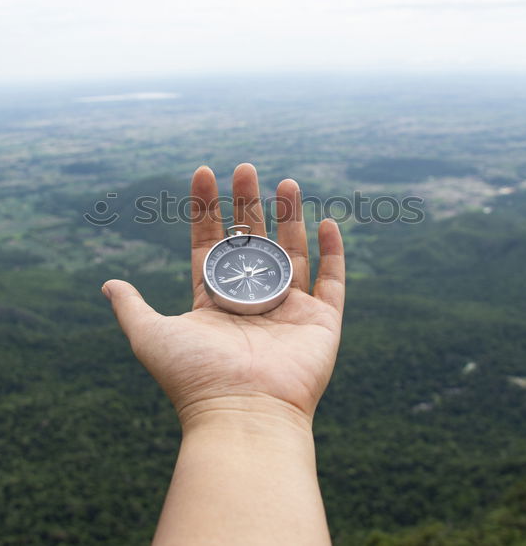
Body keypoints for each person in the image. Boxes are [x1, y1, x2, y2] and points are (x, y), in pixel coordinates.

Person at [102, 162, 345, 546]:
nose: (248, 275)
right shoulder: (258, 270)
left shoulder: (239, 266)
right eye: (241, 274)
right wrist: (263, 411)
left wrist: (231, 410)